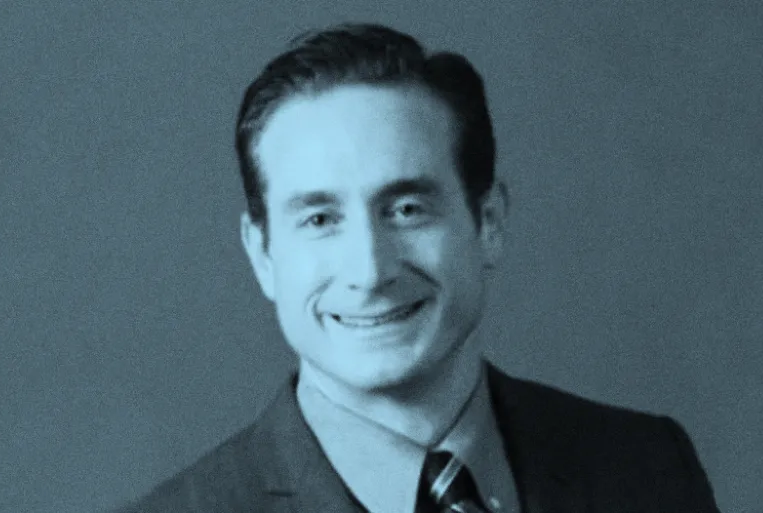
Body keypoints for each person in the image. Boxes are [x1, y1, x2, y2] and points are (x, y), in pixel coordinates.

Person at [114, 23, 720, 513]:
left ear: (488, 223)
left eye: (406, 209)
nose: (370, 271)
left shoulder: (649, 470)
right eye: (320, 219)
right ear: (263, 254)